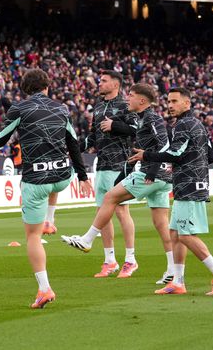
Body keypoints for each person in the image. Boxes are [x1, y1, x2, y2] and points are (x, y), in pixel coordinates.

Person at [0, 69, 86, 310]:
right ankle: (50, 220)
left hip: (36, 179)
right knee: (52, 180)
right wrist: (81, 175)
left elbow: (0, 140)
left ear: (26, 89)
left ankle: (44, 288)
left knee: (33, 237)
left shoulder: (19, 108)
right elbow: (73, 142)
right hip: (63, 175)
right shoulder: (61, 108)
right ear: (47, 86)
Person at [61, 82, 176, 284]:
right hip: (161, 177)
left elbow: (165, 143)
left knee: (109, 198)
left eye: (131, 95)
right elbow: (140, 150)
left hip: (153, 174)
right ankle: (173, 270)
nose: (127, 98)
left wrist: (152, 169)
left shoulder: (152, 117)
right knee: (161, 225)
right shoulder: (141, 118)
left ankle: (87, 239)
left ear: (142, 100)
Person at [130, 87, 213, 296]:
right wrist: (189, 163)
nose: (170, 105)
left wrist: (147, 155)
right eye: (169, 101)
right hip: (189, 183)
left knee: (185, 236)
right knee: (175, 233)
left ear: (187, 103)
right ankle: (178, 282)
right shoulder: (197, 124)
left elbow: (175, 153)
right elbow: (210, 155)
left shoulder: (183, 124)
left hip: (189, 185)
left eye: (175, 101)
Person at [77, 65, 137, 278]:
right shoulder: (99, 106)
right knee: (101, 213)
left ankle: (130, 259)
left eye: (103, 80)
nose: (99, 83)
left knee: (121, 211)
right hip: (102, 165)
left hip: (120, 164)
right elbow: (93, 136)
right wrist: (76, 148)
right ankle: (110, 260)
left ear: (115, 84)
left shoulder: (126, 105)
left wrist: (115, 126)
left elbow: (137, 130)